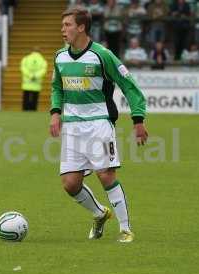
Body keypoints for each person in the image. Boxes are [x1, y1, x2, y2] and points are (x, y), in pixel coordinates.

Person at [50, 7, 148, 243]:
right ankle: (100, 213)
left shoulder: (102, 55)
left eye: (67, 25)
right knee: (70, 184)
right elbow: (57, 87)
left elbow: (129, 85)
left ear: (81, 27)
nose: (63, 30)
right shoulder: (60, 57)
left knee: (106, 175)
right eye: (62, 26)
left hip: (99, 124)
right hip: (72, 127)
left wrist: (138, 119)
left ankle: (125, 229)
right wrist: (55, 113)